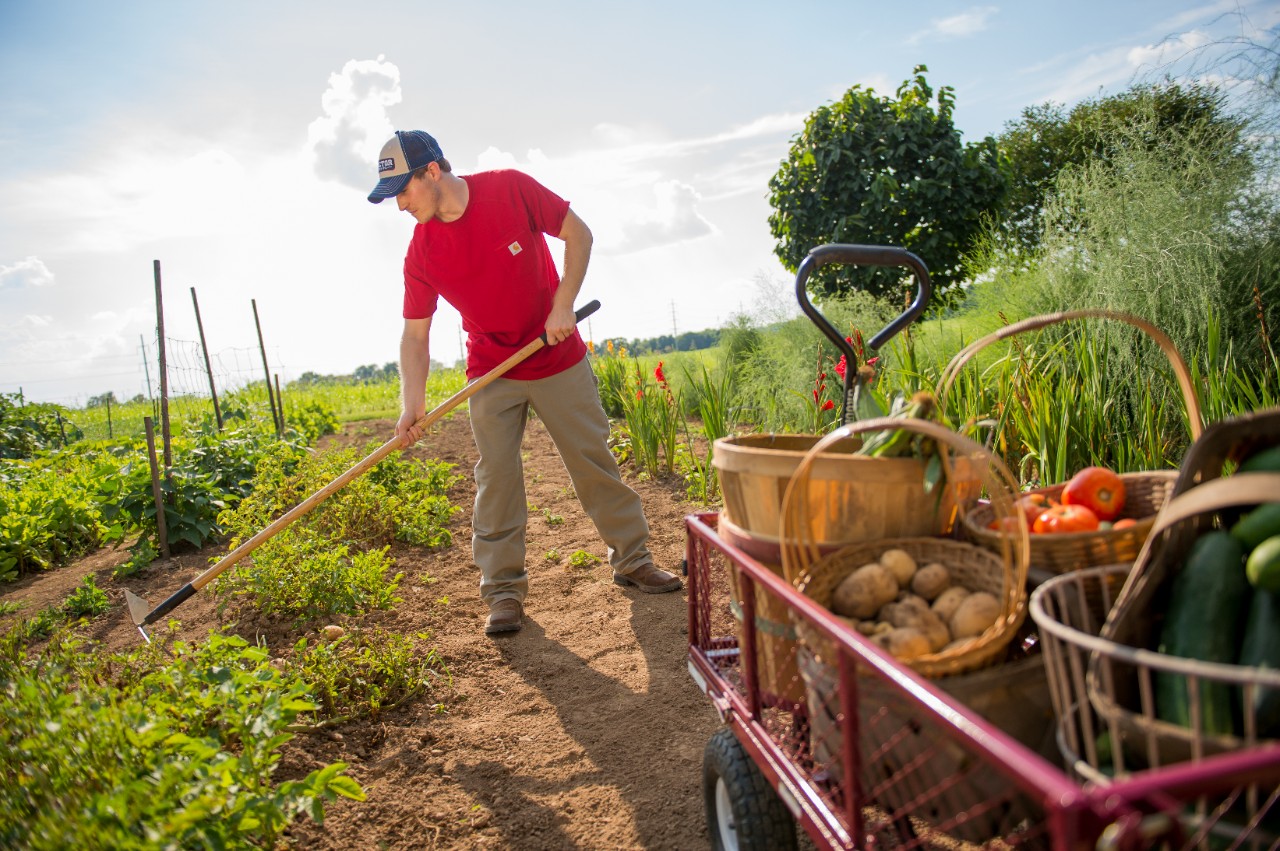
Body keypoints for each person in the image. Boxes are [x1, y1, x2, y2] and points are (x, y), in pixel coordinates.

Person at [367, 129, 681, 636]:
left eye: (403, 190)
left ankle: (633, 559)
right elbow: (415, 336)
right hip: (491, 369)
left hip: (555, 354)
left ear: (432, 171)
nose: (400, 204)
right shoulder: (422, 253)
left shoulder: (509, 189)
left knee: (592, 459)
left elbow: (579, 234)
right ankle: (503, 592)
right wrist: (412, 404)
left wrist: (563, 304)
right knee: (496, 478)